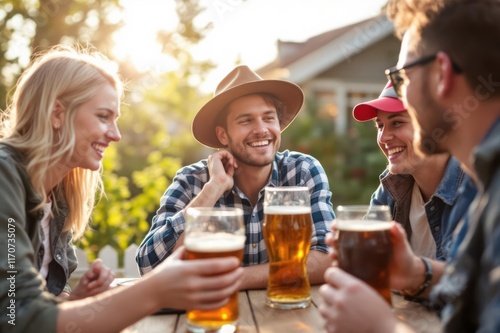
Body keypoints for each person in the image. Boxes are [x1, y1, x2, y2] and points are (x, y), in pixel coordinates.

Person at [0, 45, 243, 333]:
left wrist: (76, 301)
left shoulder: (60, 195)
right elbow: (17, 318)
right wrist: (156, 290)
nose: (116, 135)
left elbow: (38, 308)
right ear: (57, 114)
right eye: (103, 116)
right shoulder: (5, 176)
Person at [318, 0, 500, 332]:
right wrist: (416, 273)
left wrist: (383, 328)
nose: (385, 135)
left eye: (400, 79)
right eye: (379, 125)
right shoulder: (481, 179)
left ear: (442, 74)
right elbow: (477, 290)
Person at [136, 65, 335, 289]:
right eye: (246, 120)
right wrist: (214, 188)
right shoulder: (192, 181)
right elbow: (149, 267)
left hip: (286, 316)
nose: (261, 130)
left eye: (268, 118)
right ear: (223, 135)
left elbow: (328, 259)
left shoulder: (302, 171)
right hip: (212, 317)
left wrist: (232, 279)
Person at [352, 81, 475, 260]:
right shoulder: (391, 187)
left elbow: (463, 279)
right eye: (380, 126)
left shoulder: (474, 188)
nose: (384, 137)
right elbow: (364, 257)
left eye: (397, 123)